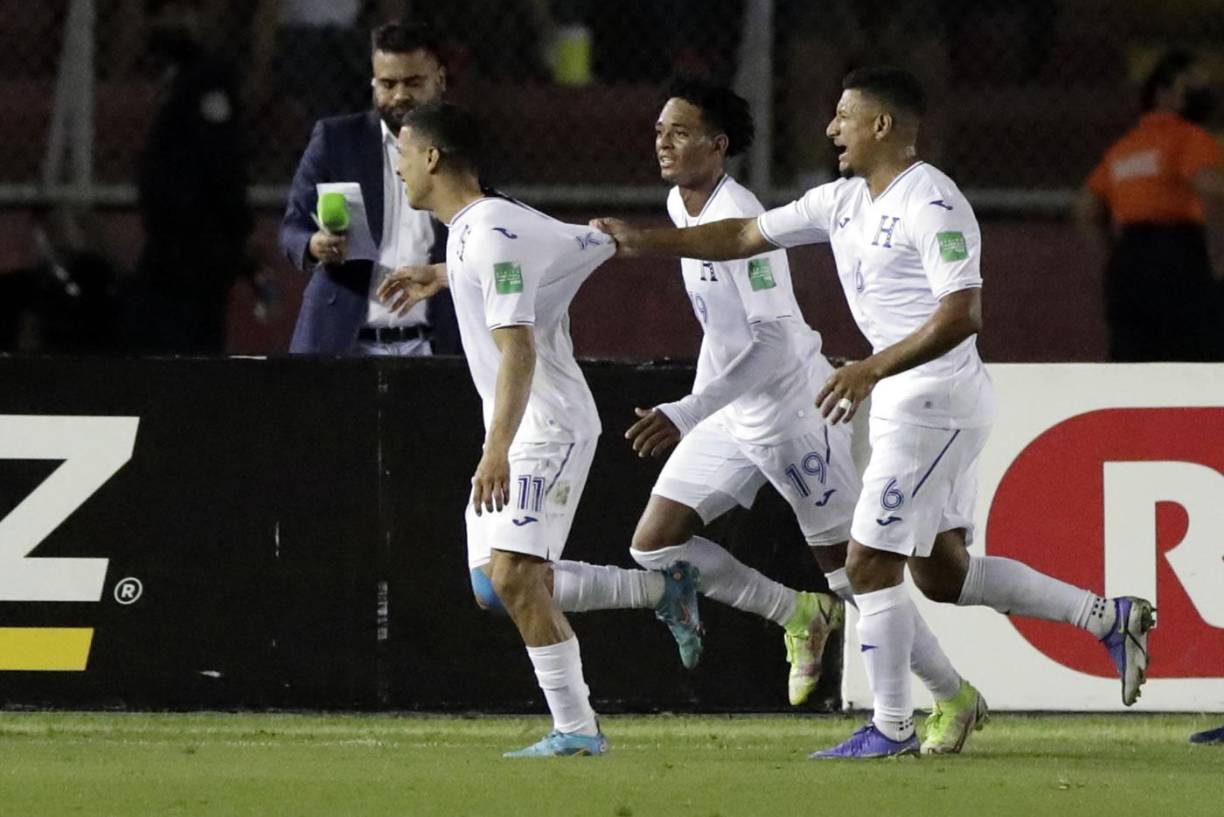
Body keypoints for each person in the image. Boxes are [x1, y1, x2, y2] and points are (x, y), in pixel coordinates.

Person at [593, 66, 1157, 759]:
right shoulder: (842, 201)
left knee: (865, 562)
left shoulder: (934, 203)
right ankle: (1106, 616)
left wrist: (869, 366)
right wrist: (644, 242)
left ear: (882, 126)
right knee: (942, 574)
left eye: (843, 117)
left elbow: (963, 314)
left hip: (934, 401)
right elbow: (742, 236)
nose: (831, 129)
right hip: (901, 398)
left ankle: (890, 725)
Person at [626, 75, 984, 749]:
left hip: (795, 413)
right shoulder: (680, 203)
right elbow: (720, 332)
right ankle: (796, 612)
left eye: (679, 131)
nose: (663, 143)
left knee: (859, 575)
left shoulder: (739, 208)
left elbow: (769, 337)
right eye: (658, 130)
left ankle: (952, 695)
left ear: (718, 144)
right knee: (655, 542)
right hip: (732, 411)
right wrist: (702, 407)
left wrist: (687, 406)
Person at [385, 99, 684, 756]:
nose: (398, 164)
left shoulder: (491, 231)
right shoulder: (482, 229)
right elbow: (570, 246)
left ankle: (577, 728)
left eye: (403, 152)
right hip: (521, 425)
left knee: (517, 576)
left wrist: (496, 451)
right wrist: (440, 275)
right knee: (494, 584)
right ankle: (664, 587)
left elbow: (517, 347)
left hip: (544, 427)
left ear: (432, 157)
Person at [280, 20, 460, 356]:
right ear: (373, 83)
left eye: (414, 83)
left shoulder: (463, 148)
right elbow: (292, 228)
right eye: (387, 84)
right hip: (341, 342)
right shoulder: (336, 141)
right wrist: (315, 244)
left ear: (440, 80)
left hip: (433, 346)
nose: (400, 96)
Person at [1076, 49, 1224, 362]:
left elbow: (1088, 208)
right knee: (1198, 359)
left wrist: (1116, 258)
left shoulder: (1125, 147)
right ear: (1163, 93)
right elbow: (1212, 190)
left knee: (1133, 360)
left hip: (1130, 257)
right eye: (1192, 84)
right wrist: (1218, 256)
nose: (1205, 91)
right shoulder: (1191, 138)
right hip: (1181, 255)